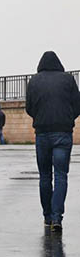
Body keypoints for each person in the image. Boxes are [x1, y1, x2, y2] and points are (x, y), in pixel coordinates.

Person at [26, 51, 80, 232]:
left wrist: (40, 119)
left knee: (45, 176)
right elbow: (77, 105)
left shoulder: (33, 81)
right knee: (61, 175)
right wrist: (67, 119)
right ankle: (57, 218)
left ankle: (47, 217)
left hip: (42, 132)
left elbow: (29, 107)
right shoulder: (68, 79)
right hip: (63, 132)